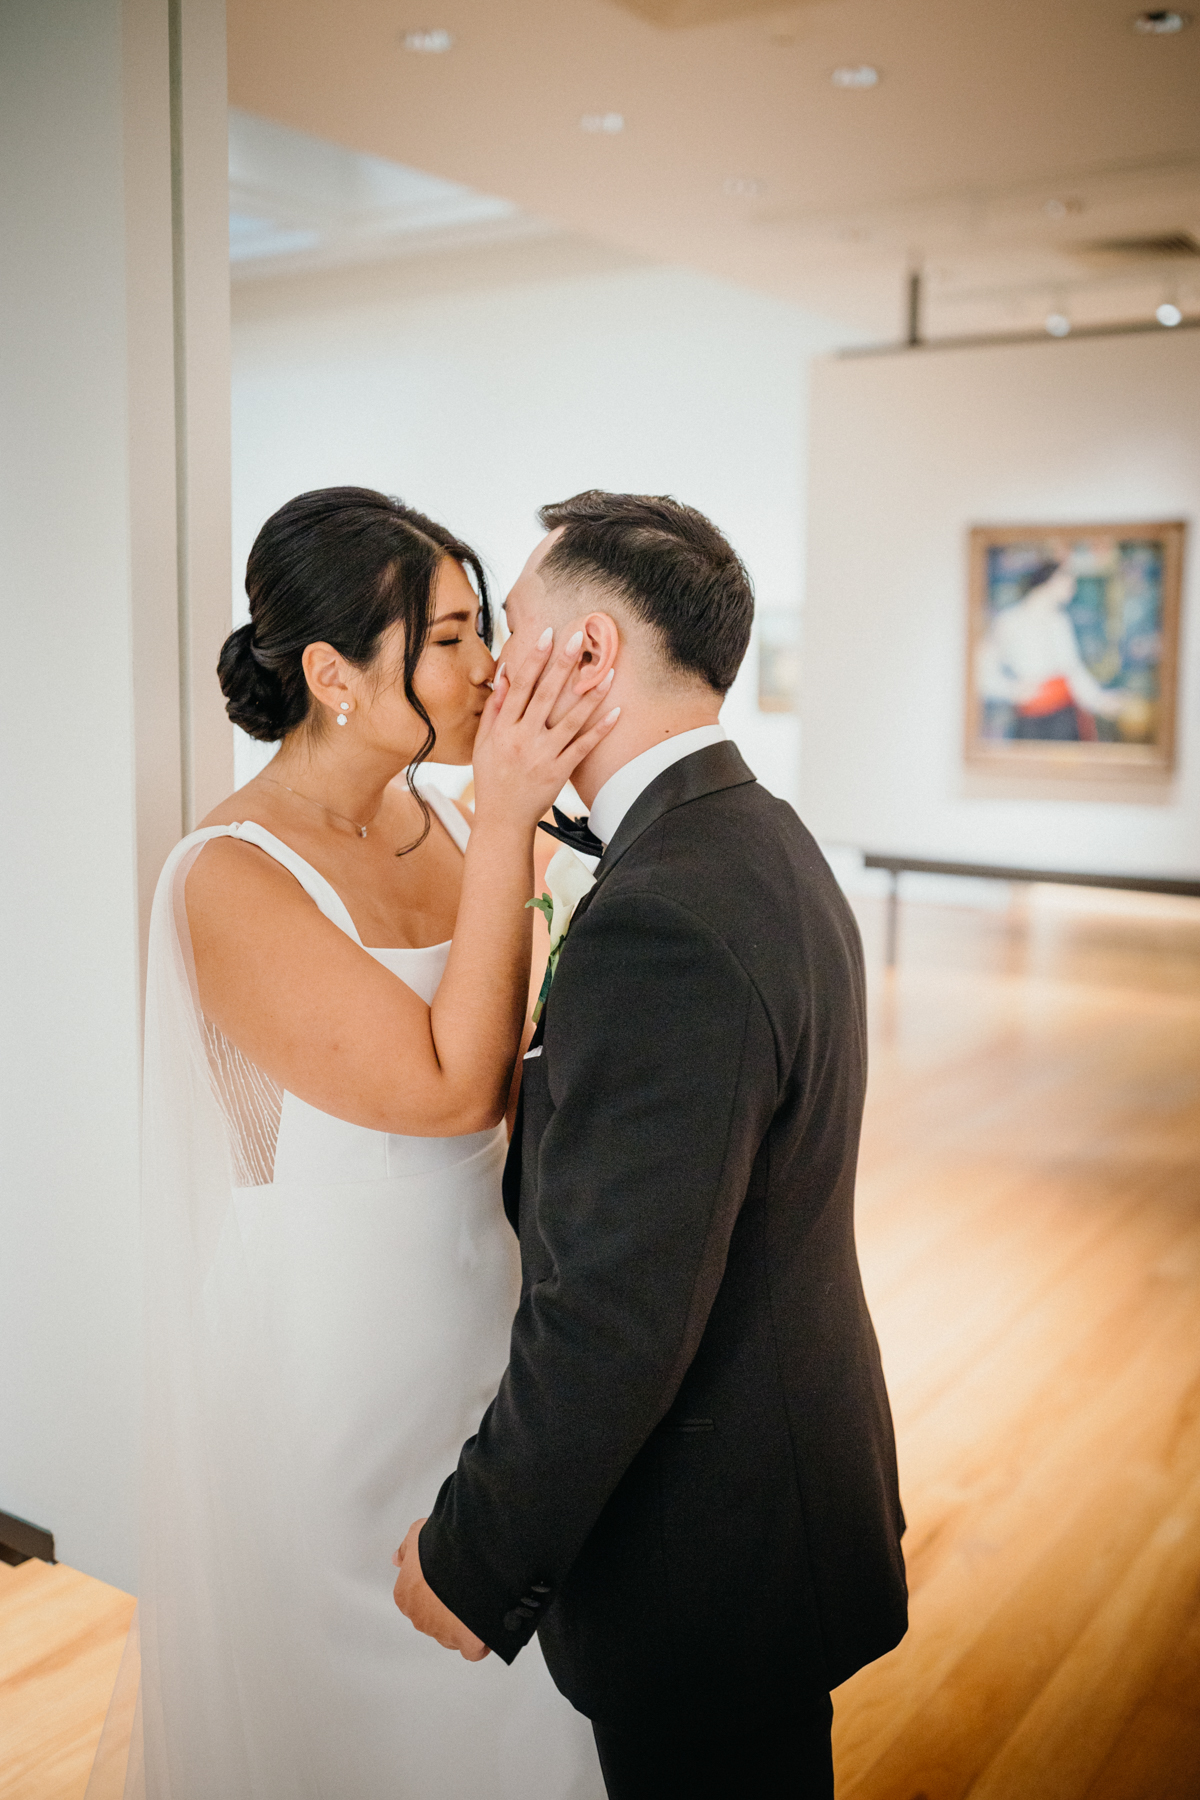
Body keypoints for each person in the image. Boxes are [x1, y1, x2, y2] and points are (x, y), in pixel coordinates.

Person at [393, 491, 909, 1798]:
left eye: (514, 630)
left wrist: (471, 1557)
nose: (498, 670)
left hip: (710, 1547)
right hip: (781, 1495)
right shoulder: (760, 839)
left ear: (592, 656)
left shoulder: (666, 909)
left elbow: (617, 1312)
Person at [128, 487, 616, 1799]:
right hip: (334, 1353)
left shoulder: (449, 823)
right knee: (361, 1708)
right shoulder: (228, 875)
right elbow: (455, 1089)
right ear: (336, 674)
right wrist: (514, 813)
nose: (489, 670)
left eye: (483, 629)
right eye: (450, 639)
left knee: (515, 1690)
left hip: (497, 1307)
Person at [976, 558, 1125, 741]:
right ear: (1050, 579)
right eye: (1066, 578)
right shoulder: (1009, 621)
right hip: (1032, 717)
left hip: (1065, 715)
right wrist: (1012, 691)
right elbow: (980, 672)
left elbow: (1072, 670)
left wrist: (1098, 700)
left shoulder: (1059, 621)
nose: (1072, 586)